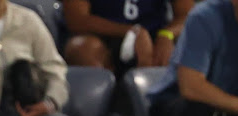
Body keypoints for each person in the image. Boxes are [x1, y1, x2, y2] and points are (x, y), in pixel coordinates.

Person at [148, 0, 238, 116]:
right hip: (180, 106)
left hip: (236, 108)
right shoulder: (205, 17)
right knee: (199, 109)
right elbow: (191, 88)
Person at [63, 0, 194, 74]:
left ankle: (162, 110)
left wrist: (167, 35)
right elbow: (76, 20)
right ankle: (97, 112)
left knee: (180, 49)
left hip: (154, 37)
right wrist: (132, 32)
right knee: (82, 49)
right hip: (104, 37)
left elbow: (188, 15)